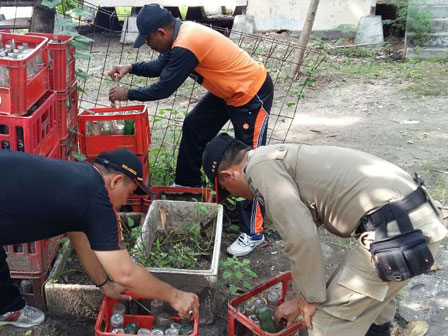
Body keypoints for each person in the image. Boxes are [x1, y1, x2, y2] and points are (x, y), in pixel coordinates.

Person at [201, 133, 447, 336]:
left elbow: (302, 237)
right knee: (374, 306)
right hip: (417, 221)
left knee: (326, 323)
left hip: (394, 234)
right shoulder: (277, 154)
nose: (238, 196)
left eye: (229, 191)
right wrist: (303, 293)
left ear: (227, 176)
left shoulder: (259, 169)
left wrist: (307, 299)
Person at [107, 3, 274, 257]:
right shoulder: (179, 35)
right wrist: (131, 67)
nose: (149, 45)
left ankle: (253, 233)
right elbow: (160, 66)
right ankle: (187, 187)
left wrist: (128, 93)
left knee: (251, 162)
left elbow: (163, 88)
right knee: (194, 125)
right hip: (226, 92)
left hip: (250, 93)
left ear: (161, 32)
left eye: (149, 39)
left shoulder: (187, 43)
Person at [0, 148, 199, 328]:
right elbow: (125, 274)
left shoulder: (79, 177)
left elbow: (79, 235)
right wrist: (175, 296)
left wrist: (104, 284)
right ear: (116, 181)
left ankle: (7, 308)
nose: (124, 203)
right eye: (128, 193)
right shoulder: (97, 199)